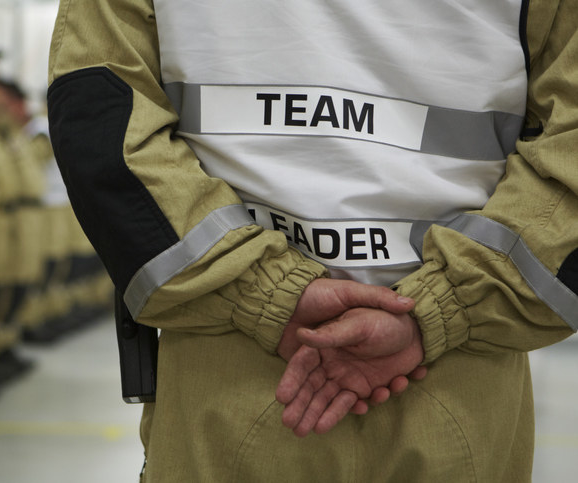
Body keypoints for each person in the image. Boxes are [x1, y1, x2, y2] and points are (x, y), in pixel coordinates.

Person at [47, 0, 578, 481]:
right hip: (460, 380)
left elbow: (100, 106)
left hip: (232, 369)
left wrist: (264, 292)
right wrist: (442, 307)